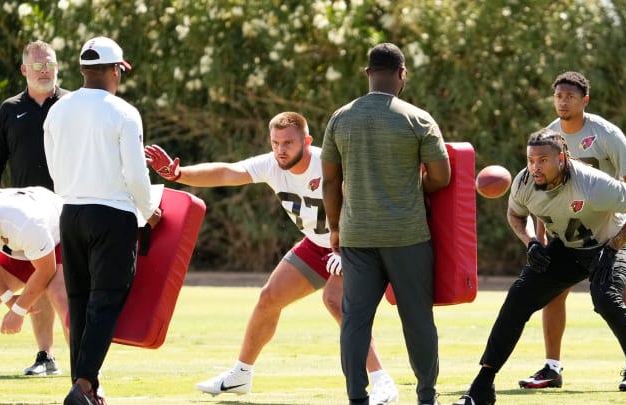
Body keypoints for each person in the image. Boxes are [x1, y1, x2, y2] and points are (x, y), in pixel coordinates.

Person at [144, 111, 400, 405]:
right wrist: (179, 174)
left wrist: (349, 248)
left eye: (289, 143)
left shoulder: (328, 161)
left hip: (355, 244)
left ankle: (382, 381)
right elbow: (228, 172)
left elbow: (367, 203)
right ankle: (241, 374)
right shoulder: (271, 164)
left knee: (334, 301)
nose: (281, 149)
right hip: (318, 245)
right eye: (276, 142)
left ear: (307, 141)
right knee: (269, 298)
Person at [452, 129, 626, 405]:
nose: (535, 167)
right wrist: (531, 242)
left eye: (543, 160)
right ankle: (482, 387)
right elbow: (515, 215)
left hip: (612, 243)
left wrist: (614, 246)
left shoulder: (592, 183)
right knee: (519, 296)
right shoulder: (524, 182)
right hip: (569, 248)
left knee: (607, 300)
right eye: (531, 160)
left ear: (563, 158)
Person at [321, 43, 451, 405]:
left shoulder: (340, 118)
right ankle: (427, 397)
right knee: (417, 320)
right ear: (402, 73)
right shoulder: (418, 119)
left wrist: (335, 228)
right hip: (407, 236)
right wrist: (416, 187)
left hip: (357, 236)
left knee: (355, 321)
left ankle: (356, 398)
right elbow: (442, 177)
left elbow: (331, 181)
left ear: (367, 74)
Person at [43, 36, 159, 405]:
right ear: (115, 70)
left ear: (81, 69)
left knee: (78, 302)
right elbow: (137, 175)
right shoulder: (123, 111)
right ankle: (83, 386)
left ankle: (86, 387)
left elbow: (52, 164)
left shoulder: (57, 109)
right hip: (113, 214)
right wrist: (149, 211)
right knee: (105, 301)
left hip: (71, 212)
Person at [519, 71, 626, 392]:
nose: (563, 101)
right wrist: (540, 237)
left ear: (584, 100)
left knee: (619, 294)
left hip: (610, 228)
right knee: (553, 293)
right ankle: (551, 368)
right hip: (567, 233)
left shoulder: (606, 133)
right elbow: (541, 190)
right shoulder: (548, 135)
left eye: (570, 96)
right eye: (559, 96)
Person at [0, 40, 70, 376]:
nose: (45, 70)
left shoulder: (72, 105)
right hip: (26, 209)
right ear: (24, 69)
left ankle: (84, 367)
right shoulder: (9, 109)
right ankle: (46, 356)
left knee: (59, 284)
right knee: (40, 280)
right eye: (38, 65)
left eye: (50, 64)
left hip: (70, 206)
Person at [0, 187, 69, 358]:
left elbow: (46, 270)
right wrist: (8, 298)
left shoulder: (23, 222)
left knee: (59, 295)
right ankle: (46, 360)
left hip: (60, 233)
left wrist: (18, 311)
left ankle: (86, 373)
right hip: (19, 245)